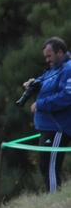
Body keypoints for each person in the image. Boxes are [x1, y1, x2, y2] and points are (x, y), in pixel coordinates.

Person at [27, 36, 71, 193]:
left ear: (59, 53)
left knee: (50, 166)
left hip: (58, 127)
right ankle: (50, 196)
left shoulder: (68, 68)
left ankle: (51, 202)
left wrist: (41, 104)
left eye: (49, 56)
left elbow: (67, 96)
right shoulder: (54, 69)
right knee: (45, 165)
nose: (47, 60)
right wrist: (34, 83)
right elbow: (45, 80)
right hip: (47, 127)